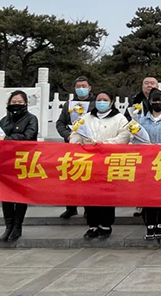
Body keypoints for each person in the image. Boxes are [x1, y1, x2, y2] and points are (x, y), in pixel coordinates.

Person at [70, 91, 130, 240]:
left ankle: (106, 225)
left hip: (109, 162)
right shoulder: (86, 117)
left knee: (106, 194)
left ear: (111, 102)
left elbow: (124, 137)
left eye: (105, 99)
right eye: (99, 99)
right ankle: (92, 225)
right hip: (89, 161)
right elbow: (76, 134)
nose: (101, 102)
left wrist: (103, 144)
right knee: (89, 194)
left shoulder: (119, 118)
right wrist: (77, 145)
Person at [0, 91, 38, 242]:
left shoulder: (31, 119)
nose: (16, 105)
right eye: (13, 102)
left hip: (23, 162)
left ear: (26, 103)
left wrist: (7, 139)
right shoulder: (3, 121)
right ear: (8, 103)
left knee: (20, 195)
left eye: (19, 102)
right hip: (5, 163)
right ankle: (8, 226)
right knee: (6, 196)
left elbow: (29, 137)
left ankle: (17, 226)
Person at [137, 89, 161, 240]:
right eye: (155, 100)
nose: (158, 103)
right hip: (146, 162)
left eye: (160, 100)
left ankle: (160, 224)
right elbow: (135, 139)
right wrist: (147, 146)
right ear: (150, 102)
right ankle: (149, 224)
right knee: (147, 194)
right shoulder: (141, 121)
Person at [56, 75, 95, 219]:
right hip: (71, 145)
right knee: (70, 177)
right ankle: (71, 207)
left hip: (89, 145)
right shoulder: (69, 104)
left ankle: (88, 208)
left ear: (89, 88)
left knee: (88, 177)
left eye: (84, 86)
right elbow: (60, 123)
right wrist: (68, 136)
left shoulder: (96, 103)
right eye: (78, 87)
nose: (81, 89)